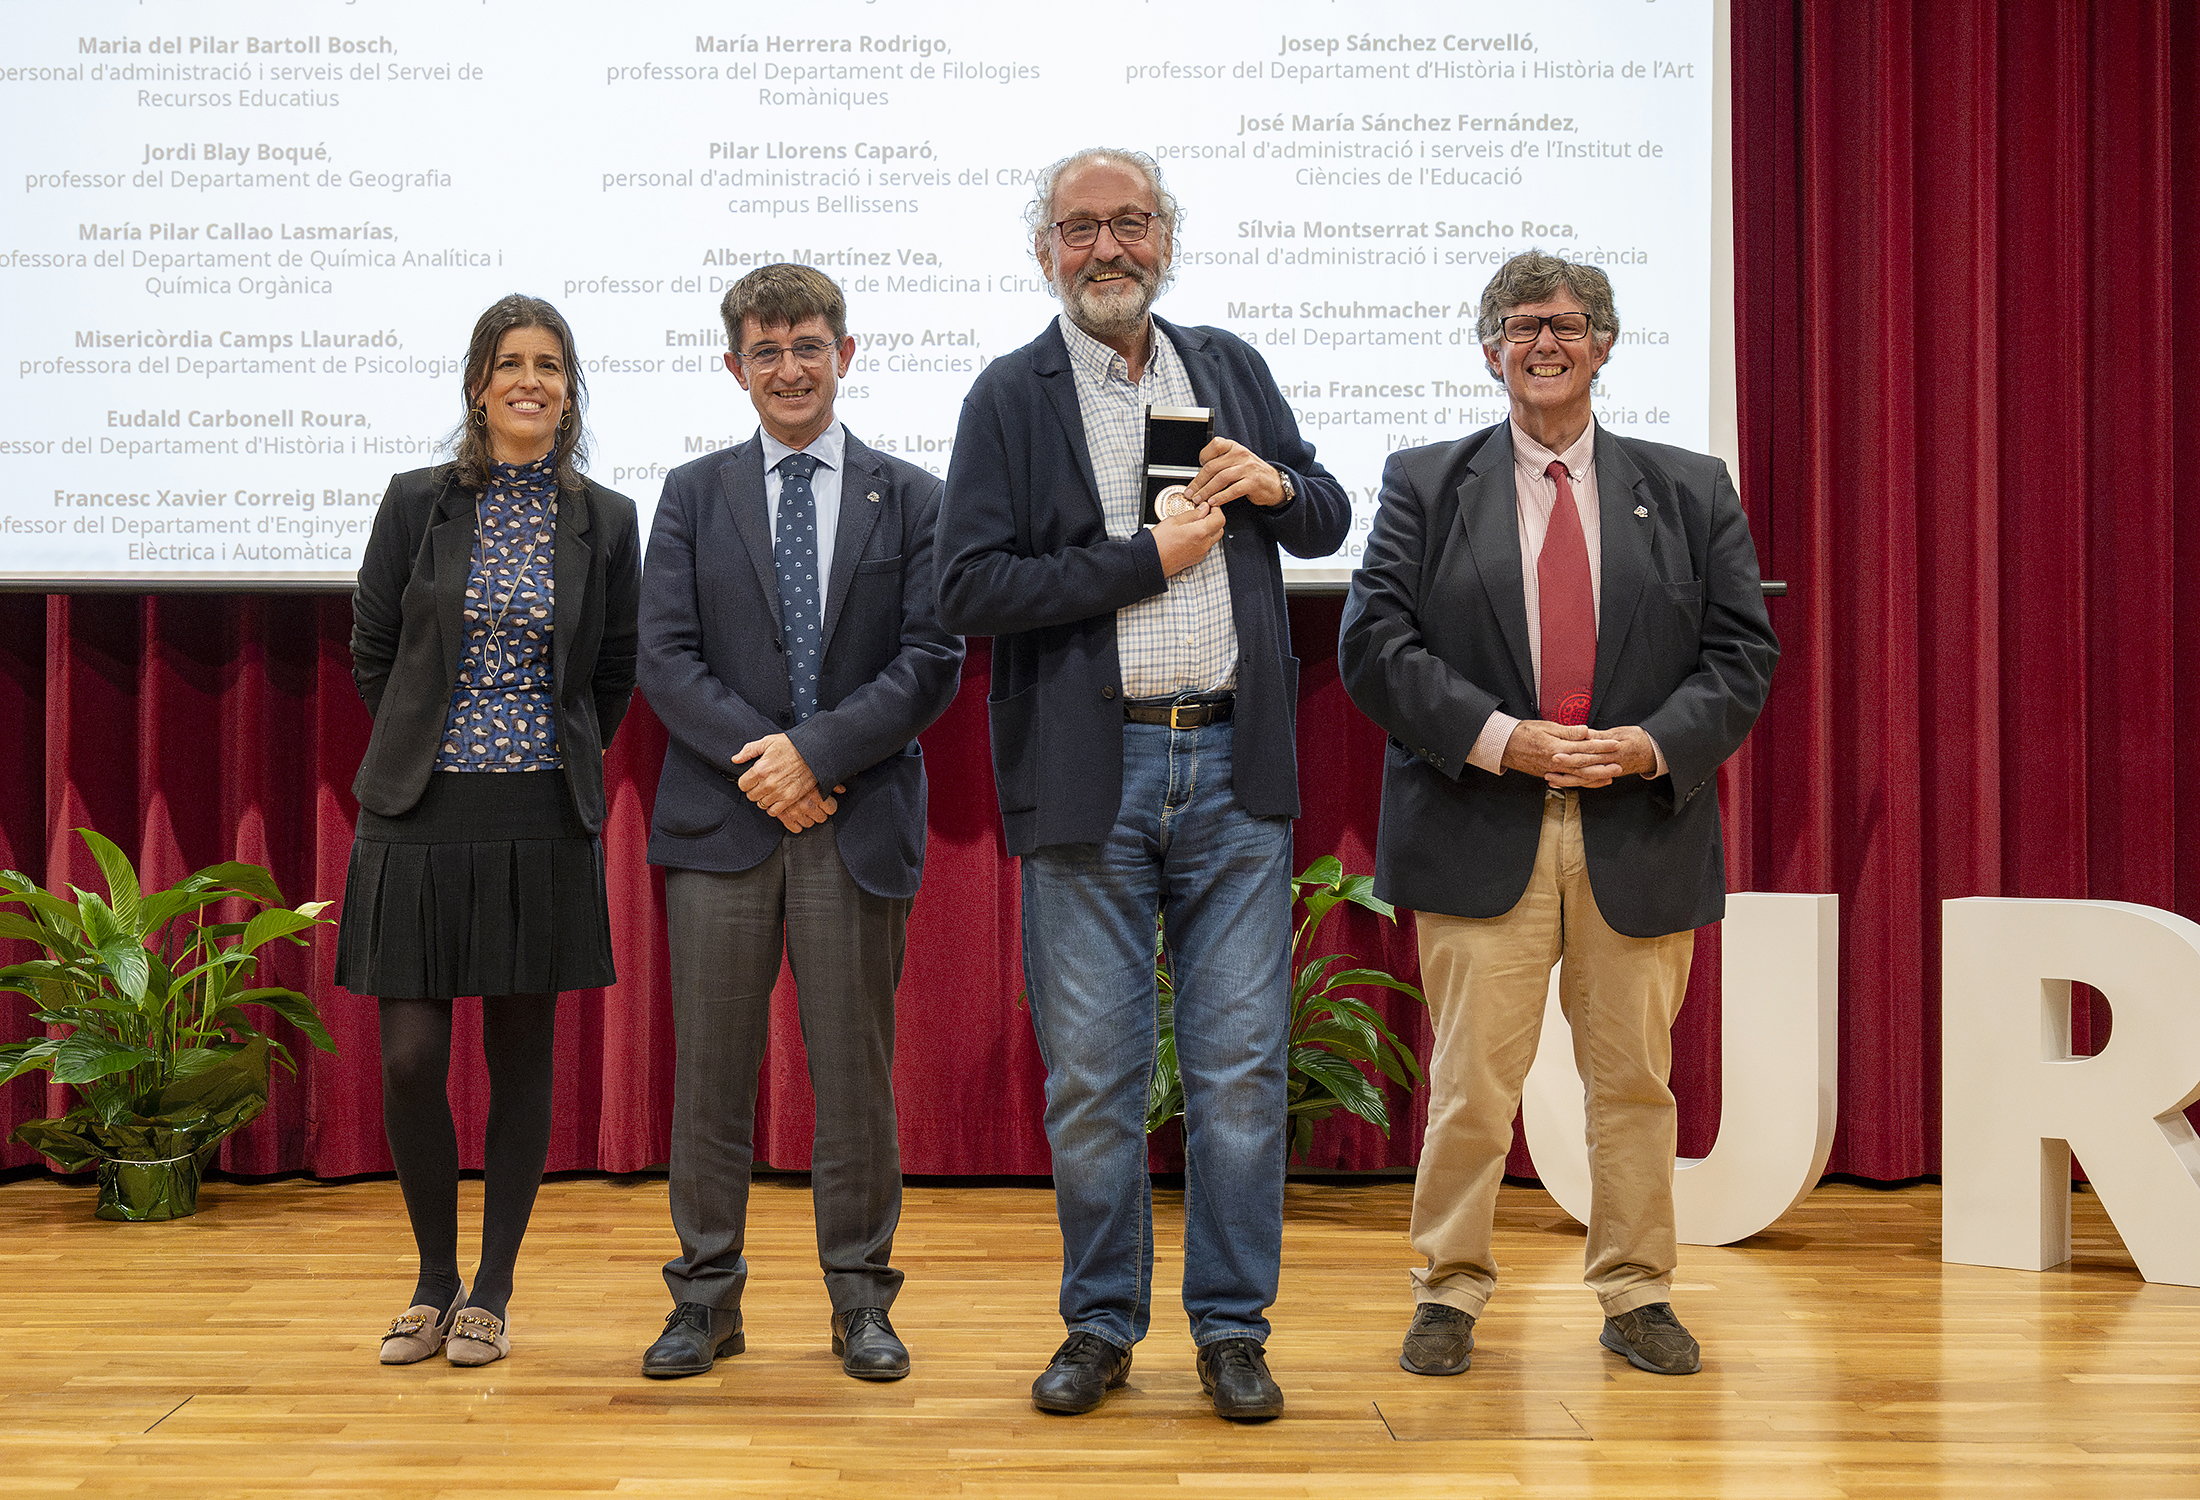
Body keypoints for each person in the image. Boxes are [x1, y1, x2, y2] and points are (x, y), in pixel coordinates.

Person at [935, 147, 1350, 1422]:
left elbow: (1328, 516)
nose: (1106, 248)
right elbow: (968, 588)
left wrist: (1276, 485)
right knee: (1093, 1084)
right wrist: (1139, 560)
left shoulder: (1227, 366)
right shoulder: (1008, 396)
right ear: (1044, 251)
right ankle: (1099, 1326)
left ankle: (1232, 1330)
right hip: (1088, 774)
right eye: (1079, 229)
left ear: (1165, 235)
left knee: (1240, 1076)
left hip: (1231, 766)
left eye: (1128, 222)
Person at [1337, 251, 1779, 1379]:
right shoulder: (1424, 483)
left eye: (1570, 324)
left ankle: (1636, 1291)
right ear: (1490, 351)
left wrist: (1648, 745)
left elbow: (1740, 655)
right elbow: (1375, 647)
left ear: (1605, 344)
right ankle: (1448, 1290)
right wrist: (1504, 738)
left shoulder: (1691, 487)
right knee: (1470, 1088)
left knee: (1632, 1085)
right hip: (1480, 819)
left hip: (1637, 826)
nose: (1547, 342)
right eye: (1523, 325)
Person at [635, 263, 963, 1382]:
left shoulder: (912, 496)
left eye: (808, 345)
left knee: (854, 1081)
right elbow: (665, 659)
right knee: (711, 1078)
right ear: (736, 369)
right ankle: (704, 1302)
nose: (789, 369)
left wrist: (815, 757)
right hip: (722, 823)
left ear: (845, 355)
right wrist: (771, 765)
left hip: (854, 820)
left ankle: (861, 1303)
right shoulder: (691, 494)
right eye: (766, 352)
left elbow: (931, 659)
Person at [338, 293, 639, 1369]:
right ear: (478, 385)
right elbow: (374, 647)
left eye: (549, 365)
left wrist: (550, 754)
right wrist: (424, 741)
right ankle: (433, 1278)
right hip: (419, 812)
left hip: (538, 815)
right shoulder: (415, 502)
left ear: (569, 390)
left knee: (520, 1061)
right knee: (412, 1058)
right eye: (511, 363)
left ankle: (493, 1289)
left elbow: (614, 670)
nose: (530, 381)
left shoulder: (607, 519)